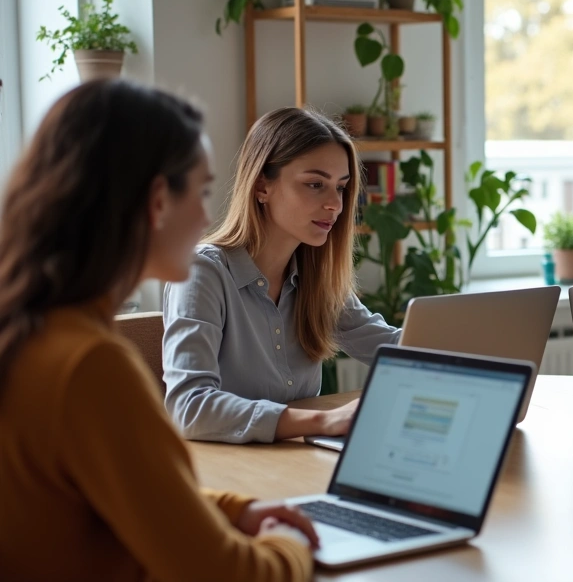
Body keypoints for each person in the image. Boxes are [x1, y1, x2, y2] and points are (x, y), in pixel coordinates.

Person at [0, 80, 317, 579]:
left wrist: (233, 511)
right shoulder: (91, 365)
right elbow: (231, 576)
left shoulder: (31, 332)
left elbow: (130, 492)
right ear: (157, 202)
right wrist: (297, 540)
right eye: (203, 190)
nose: (207, 215)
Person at [162, 107, 400, 444]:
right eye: (315, 184)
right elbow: (190, 407)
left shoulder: (318, 276)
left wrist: (480, 355)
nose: (335, 204)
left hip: (292, 462)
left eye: (341, 187)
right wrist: (322, 420)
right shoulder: (203, 272)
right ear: (262, 186)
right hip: (226, 471)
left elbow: (392, 347)